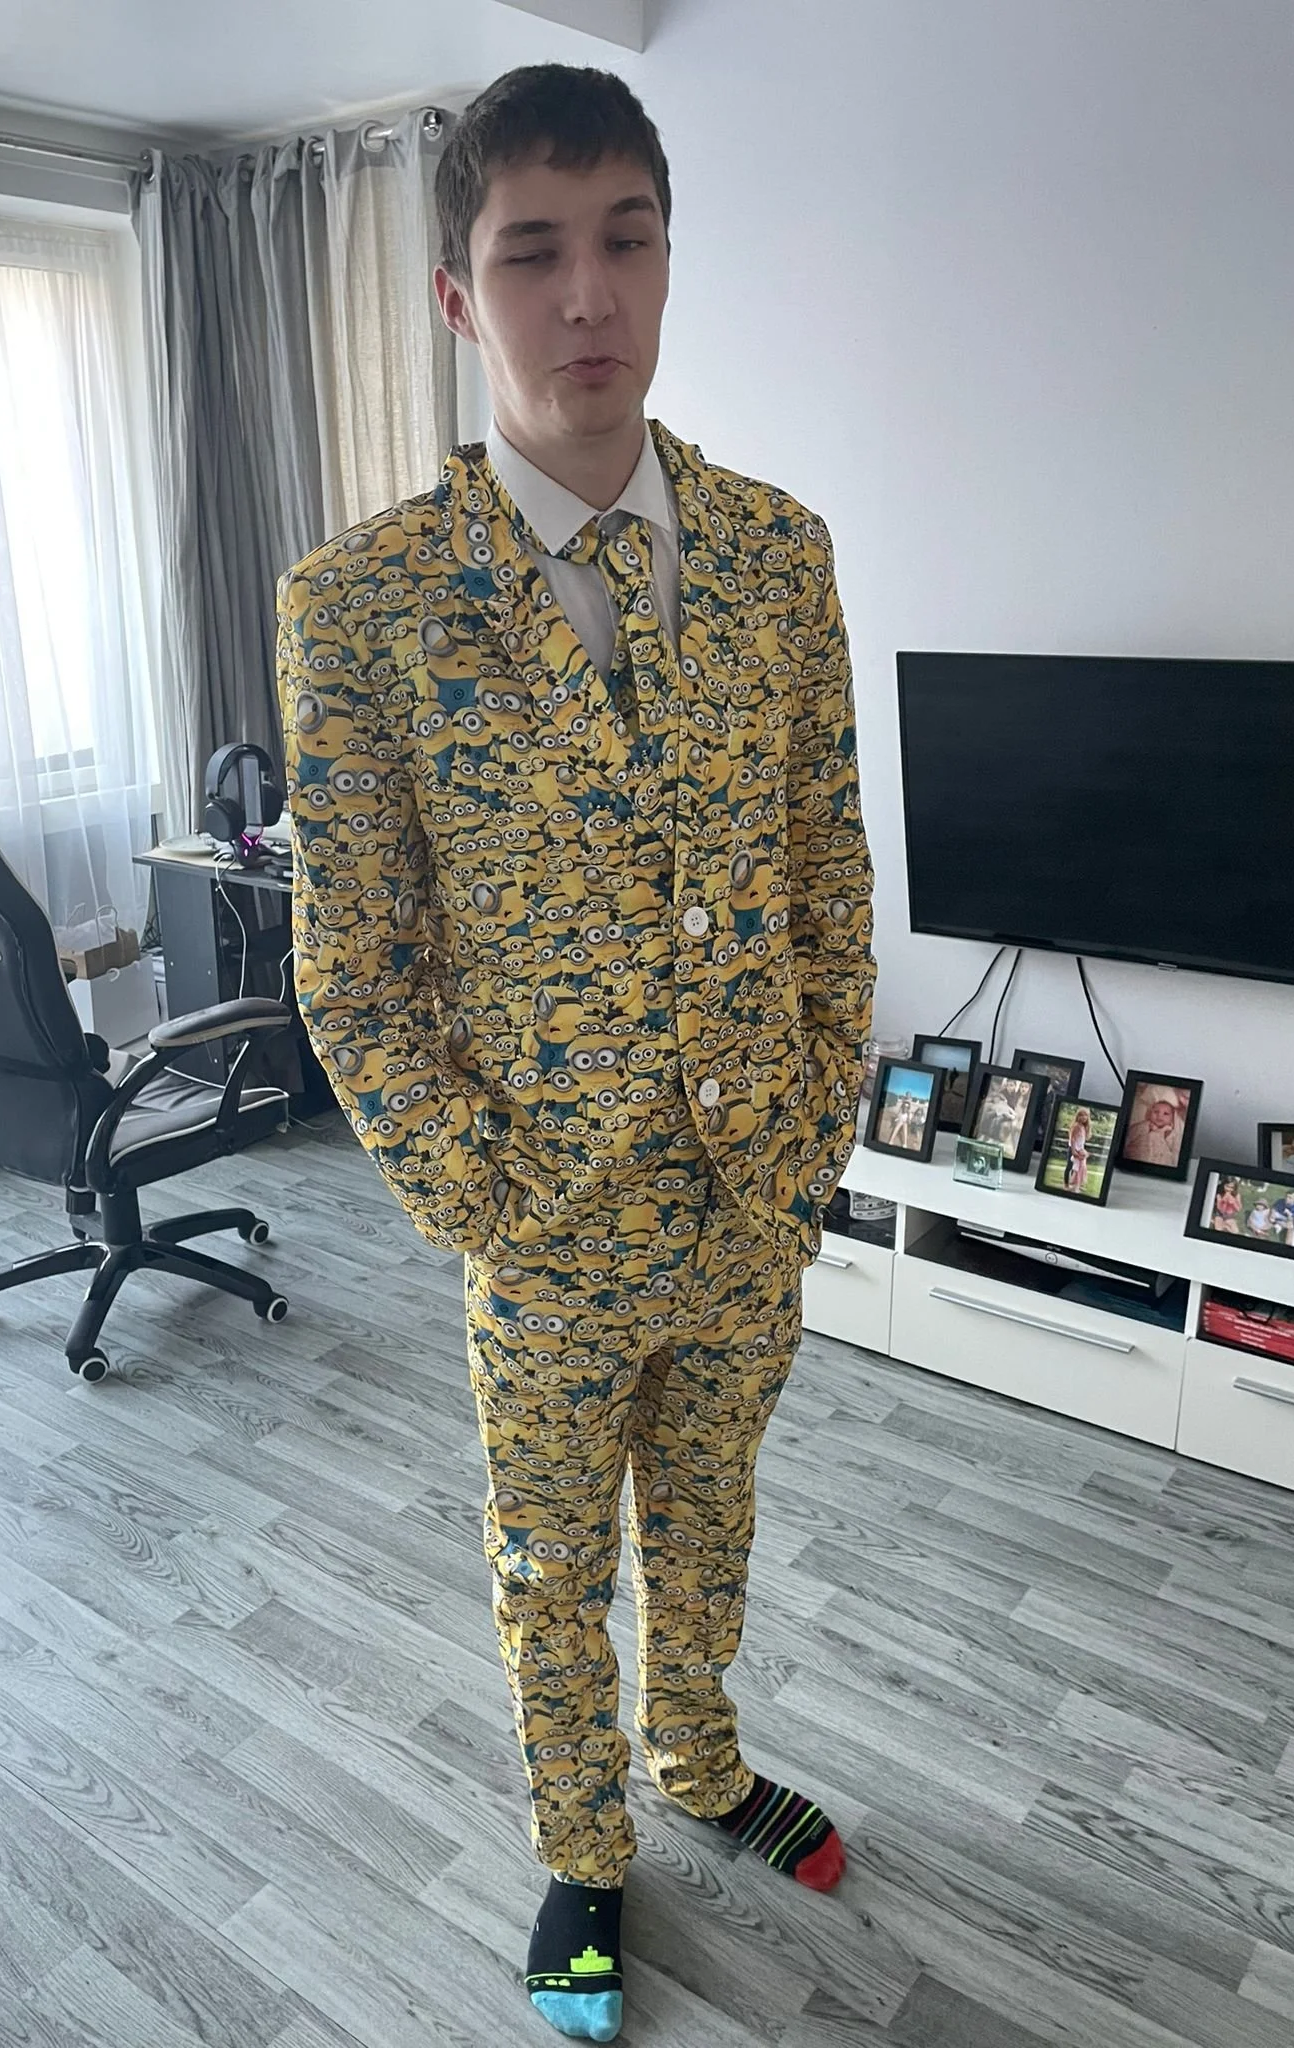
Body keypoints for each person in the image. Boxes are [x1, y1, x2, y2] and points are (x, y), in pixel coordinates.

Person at [276, 64, 874, 2045]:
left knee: (713, 1519)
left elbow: (823, 851)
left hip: (748, 1196)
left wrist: (821, 1119)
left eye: (626, 238)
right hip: (542, 1228)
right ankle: (584, 1846)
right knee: (552, 1565)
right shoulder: (359, 604)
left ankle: (700, 1759)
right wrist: (483, 1195)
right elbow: (351, 962)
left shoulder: (781, 552)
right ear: (463, 296)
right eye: (534, 252)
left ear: (670, 256)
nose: (588, 293)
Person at [1064, 1106, 1091, 1193]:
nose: (1083, 1117)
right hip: (1073, 1149)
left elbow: (1081, 1141)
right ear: (1078, 1116)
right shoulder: (1076, 1126)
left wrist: (1083, 1151)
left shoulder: (1083, 1127)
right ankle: (1066, 1184)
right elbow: (1072, 1139)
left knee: (1078, 1168)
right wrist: (1073, 1151)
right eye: (1081, 1115)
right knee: (1069, 1166)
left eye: (1085, 1115)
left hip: (1080, 1150)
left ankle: (1075, 1184)